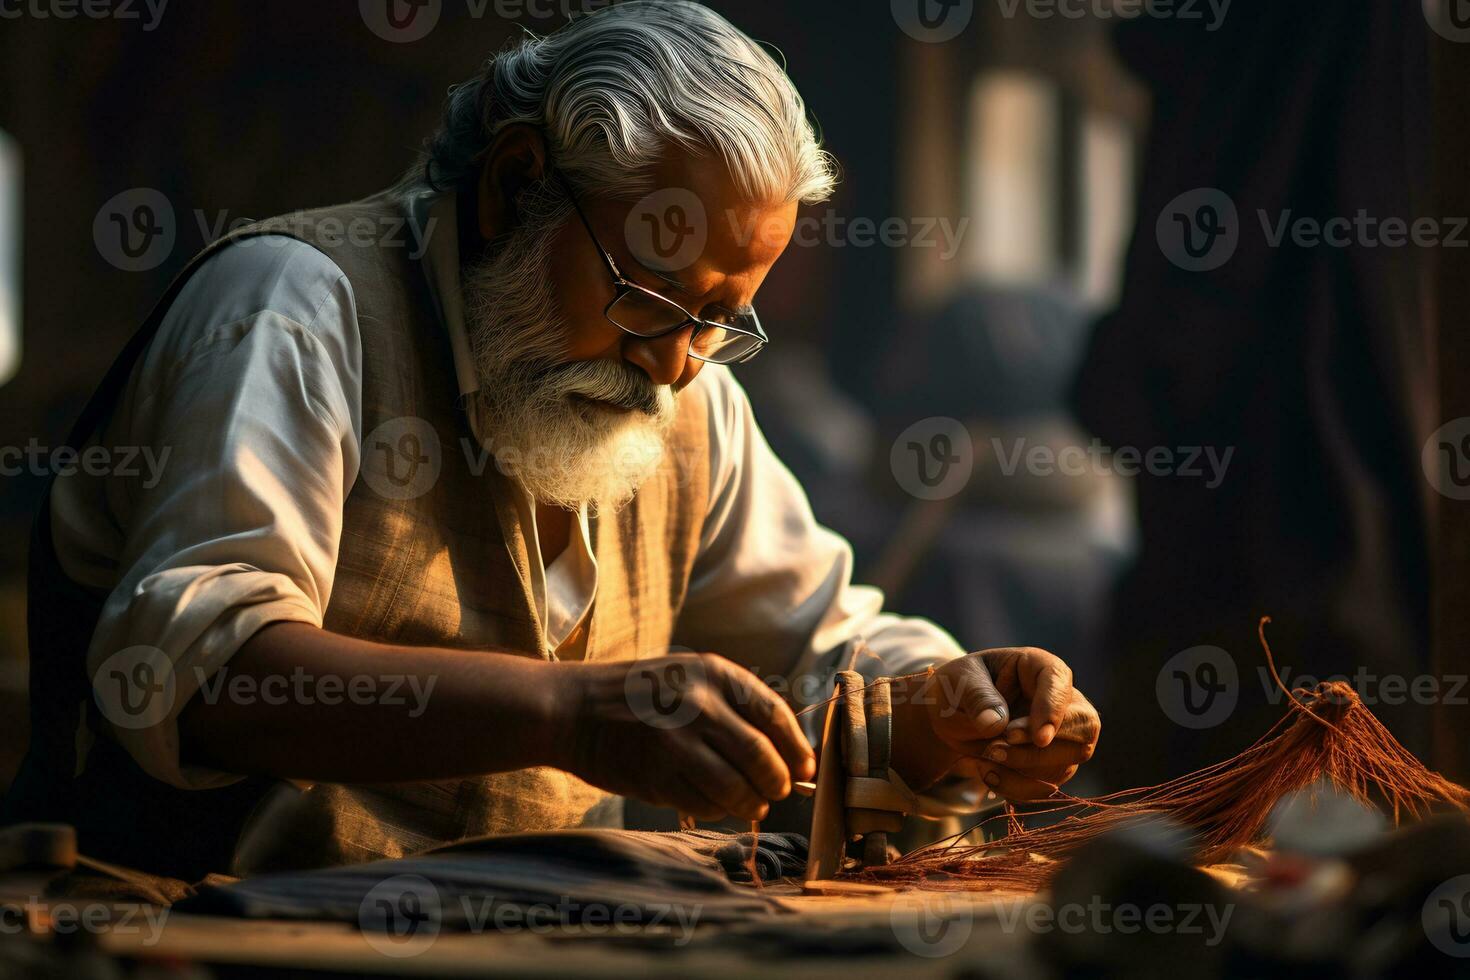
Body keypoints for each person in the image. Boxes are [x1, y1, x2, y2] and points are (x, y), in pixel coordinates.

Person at [6, 1, 1098, 879]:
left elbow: (818, 650)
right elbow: (197, 670)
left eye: (725, 318)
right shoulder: (297, 307)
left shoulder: (688, 395)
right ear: (515, 184)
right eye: (650, 295)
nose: (679, 362)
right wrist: (567, 710)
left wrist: (949, 710)